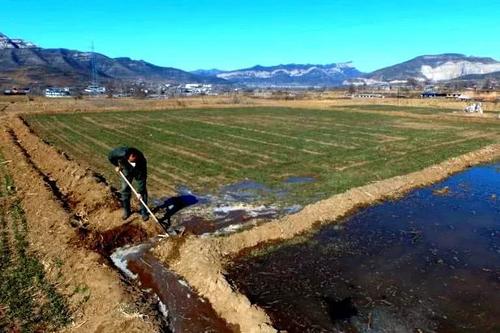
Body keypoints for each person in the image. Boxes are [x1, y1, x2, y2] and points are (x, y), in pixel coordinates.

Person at [108, 147, 149, 221]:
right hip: (126, 168)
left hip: (138, 171)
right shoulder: (120, 152)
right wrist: (116, 165)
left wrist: (139, 192)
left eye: (133, 158)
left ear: (135, 156)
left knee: (142, 193)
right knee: (125, 189)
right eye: (130, 159)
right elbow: (110, 156)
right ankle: (127, 211)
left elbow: (141, 180)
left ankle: (144, 212)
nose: (132, 159)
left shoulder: (141, 161)